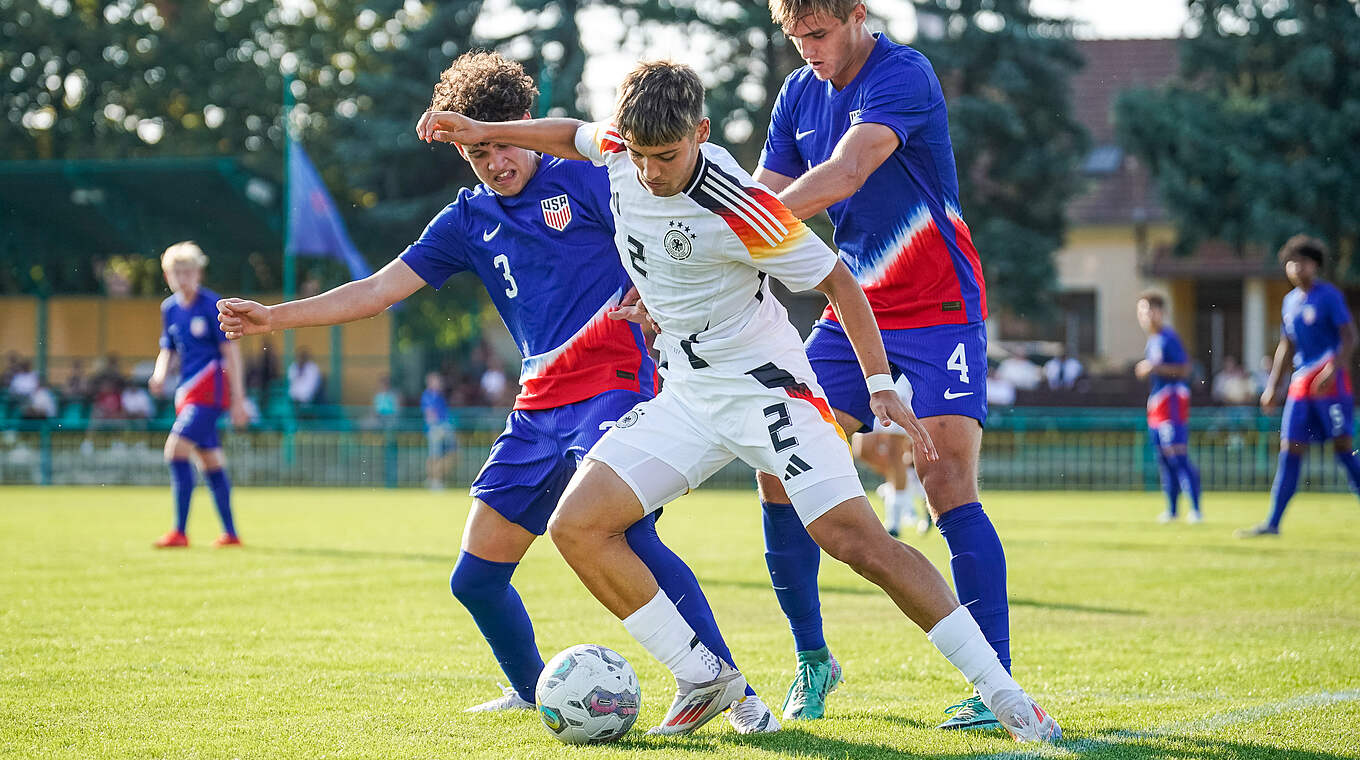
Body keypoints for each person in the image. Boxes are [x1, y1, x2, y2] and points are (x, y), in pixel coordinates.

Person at [416, 59, 1060, 742]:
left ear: (702, 132)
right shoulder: (618, 151)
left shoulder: (744, 204)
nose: (652, 173)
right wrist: (483, 127)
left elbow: (840, 283)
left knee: (856, 541)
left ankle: (1006, 694)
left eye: (666, 156)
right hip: (690, 393)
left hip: (766, 389)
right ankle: (703, 676)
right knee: (579, 525)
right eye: (640, 156)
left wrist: (879, 388)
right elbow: (568, 131)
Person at [219, 51, 779, 733]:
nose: (495, 161)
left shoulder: (586, 179)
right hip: (538, 406)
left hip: (613, 385)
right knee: (475, 579)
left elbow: (669, 223)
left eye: (505, 142)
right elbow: (377, 291)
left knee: (625, 534)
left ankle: (737, 696)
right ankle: (530, 688)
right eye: (477, 151)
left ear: (531, 125)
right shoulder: (467, 220)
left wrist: (658, 295)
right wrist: (275, 317)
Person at [749, 0, 1035, 730]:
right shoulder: (796, 94)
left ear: (855, 15)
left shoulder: (903, 72)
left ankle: (992, 680)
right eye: (794, 37)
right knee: (781, 468)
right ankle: (813, 661)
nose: (807, 49)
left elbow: (844, 172)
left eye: (817, 33)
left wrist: (742, 229)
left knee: (945, 481)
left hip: (940, 310)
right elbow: (762, 188)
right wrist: (712, 231)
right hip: (852, 311)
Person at [1238, 236, 1360, 537]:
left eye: (1301, 262)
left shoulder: (1329, 297)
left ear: (1314, 265)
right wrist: (1272, 387)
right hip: (1301, 385)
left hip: (1330, 383)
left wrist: (1333, 368)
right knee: (1289, 449)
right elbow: (1286, 347)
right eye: (1290, 263)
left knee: (1343, 448)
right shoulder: (1289, 302)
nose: (1295, 268)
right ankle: (1273, 523)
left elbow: (1350, 337)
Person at [148, 242, 248, 548]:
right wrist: (160, 374)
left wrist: (239, 399)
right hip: (187, 393)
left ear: (199, 272)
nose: (183, 277)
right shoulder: (171, 309)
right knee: (210, 461)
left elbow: (231, 353)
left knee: (175, 450)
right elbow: (168, 349)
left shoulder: (212, 305)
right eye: (176, 272)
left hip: (210, 391)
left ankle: (179, 531)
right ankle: (230, 534)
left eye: (188, 270)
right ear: (167, 276)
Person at [1135, 292, 1202, 524]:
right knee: (1163, 458)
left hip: (1172, 401)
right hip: (1157, 403)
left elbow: (1184, 369)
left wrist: (1153, 367)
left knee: (1178, 455)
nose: (1145, 316)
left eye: (1150, 310)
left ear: (1161, 312)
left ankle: (1195, 509)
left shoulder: (1168, 337)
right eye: (1142, 311)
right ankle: (1172, 510)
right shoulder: (1152, 341)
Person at [855, 374, 929, 536]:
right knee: (863, 450)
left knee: (895, 452)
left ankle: (894, 522)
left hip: (898, 377)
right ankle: (907, 489)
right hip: (870, 378)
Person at [421, 371, 458, 490]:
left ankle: (434, 479)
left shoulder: (439, 396)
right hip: (436, 429)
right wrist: (438, 427)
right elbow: (430, 415)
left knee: (449, 454)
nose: (440, 383)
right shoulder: (428, 396)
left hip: (444, 427)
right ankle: (434, 481)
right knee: (435, 456)